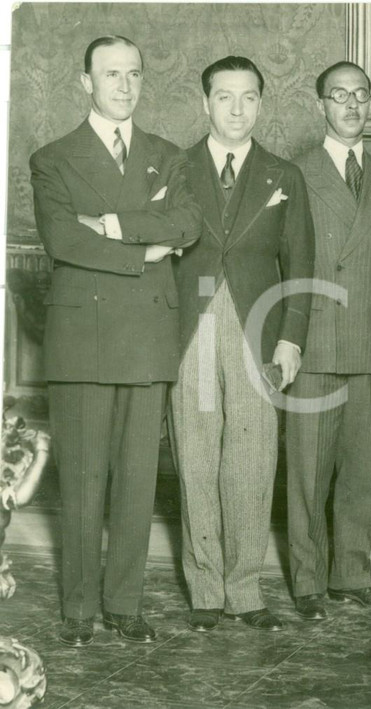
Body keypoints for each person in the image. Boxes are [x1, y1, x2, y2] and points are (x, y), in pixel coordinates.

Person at [30, 35, 201, 647]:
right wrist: (144, 251)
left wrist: (109, 223)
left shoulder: (168, 155)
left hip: (148, 335)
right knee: (82, 479)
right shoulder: (53, 158)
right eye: (111, 75)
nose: (124, 86)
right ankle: (79, 609)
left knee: (136, 480)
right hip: (82, 338)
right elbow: (61, 239)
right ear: (86, 82)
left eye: (133, 74)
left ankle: (124, 605)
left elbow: (187, 224)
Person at [171, 55, 314, 633]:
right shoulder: (174, 168)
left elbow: (301, 264)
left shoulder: (284, 176)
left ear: (261, 103)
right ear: (204, 103)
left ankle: (246, 590)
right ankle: (205, 590)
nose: (236, 108)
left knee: (252, 464)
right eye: (224, 96)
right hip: (192, 328)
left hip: (258, 330)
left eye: (248, 97)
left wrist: (291, 340)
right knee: (196, 458)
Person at [285, 61, 371, 621]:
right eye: (339, 95)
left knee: (363, 470)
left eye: (361, 95)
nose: (351, 105)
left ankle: (352, 574)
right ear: (320, 106)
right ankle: (307, 581)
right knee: (308, 473)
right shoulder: (294, 173)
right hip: (315, 340)